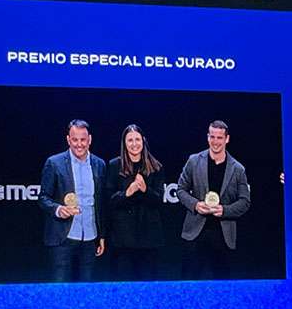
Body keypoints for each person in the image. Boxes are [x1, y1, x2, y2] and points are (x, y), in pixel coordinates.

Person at [177, 120, 250, 280]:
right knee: (189, 284)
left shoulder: (238, 169)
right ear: (207, 137)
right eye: (212, 137)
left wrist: (225, 210)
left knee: (223, 285)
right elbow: (180, 190)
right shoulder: (194, 161)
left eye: (219, 137)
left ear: (227, 139)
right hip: (195, 233)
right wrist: (196, 205)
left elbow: (245, 202)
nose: (215, 141)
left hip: (223, 235)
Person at [38, 119, 106, 282]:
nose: (79, 144)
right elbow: (43, 198)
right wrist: (58, 209)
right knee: (60, 289)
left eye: (83, 139)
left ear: (90, 139)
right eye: (75, 140)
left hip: (90, 237)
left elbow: (101, 203)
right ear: (68, 140)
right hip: (62, 238)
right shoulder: (54, 163)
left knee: (87, 289)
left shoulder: (100, 164)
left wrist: (102, 235)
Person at [106, 124, 165, 280]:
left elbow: (159, 202)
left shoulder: (156, 167)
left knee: (148, 286)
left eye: (137, 139)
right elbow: (109, 201)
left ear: (143, 141)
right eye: (130, 140)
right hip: (122, 240)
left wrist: (145, 190)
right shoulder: (114, 166)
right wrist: (127, 192)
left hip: (149, 239)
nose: (134, 144)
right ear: (124, 143)